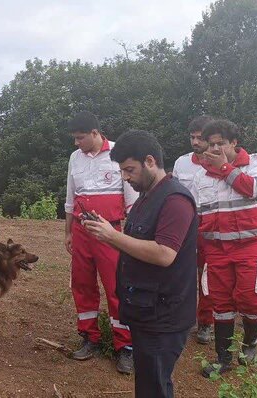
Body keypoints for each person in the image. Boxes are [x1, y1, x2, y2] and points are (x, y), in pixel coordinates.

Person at [84, 130, 197, 397]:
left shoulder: (175, 200)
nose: (125, 177)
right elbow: (134, 245)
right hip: (146, 310)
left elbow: (164, 254)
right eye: (122, 171)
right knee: (150, 383)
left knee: (154, 386)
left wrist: (113, 236)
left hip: (164, 315)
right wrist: (105, 233)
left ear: (149, 161)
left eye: (129, 170)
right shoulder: (145, 198)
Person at [192, 119, 257, 377]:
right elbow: (198, 213)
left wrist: (224, 168)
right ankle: (222, 358)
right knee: (221, 303)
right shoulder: (201, 174)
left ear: (234, 144)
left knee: (251, 300)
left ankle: (249, 345)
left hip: (250, 245)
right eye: (212, 144)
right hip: (216, 248)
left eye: (222, 143)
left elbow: (255, 189)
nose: (216, 149)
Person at [63, 111, 138, 374]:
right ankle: (90, 337)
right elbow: (71, 196)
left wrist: (131, 236)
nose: (76, 143)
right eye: (74, 138)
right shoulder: (75, 157)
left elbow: (131, 197)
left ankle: (125, 346)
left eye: (80, 138)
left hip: (111, 232)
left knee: (116, 286)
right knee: (82, 284)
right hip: (83, 231)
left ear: (95, 133)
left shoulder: (119, 153)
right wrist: (68, 232)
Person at [172, 115, 215, 344]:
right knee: (182, 272)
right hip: (186, 224)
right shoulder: (182, 163)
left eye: (200, 138)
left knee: (206, 275)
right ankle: (182, 317)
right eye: (192, 137)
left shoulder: (220, 163)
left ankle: (206, 322)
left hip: (210, 223)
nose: (196, 142)